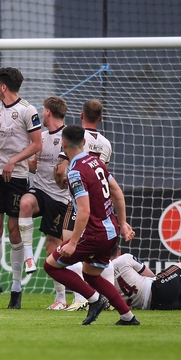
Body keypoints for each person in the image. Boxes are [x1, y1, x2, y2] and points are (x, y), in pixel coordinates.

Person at [42, 125, 138, 326]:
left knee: (50, 265)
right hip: (110, 231)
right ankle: (127, 317)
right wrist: (123, 223)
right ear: (84, 143)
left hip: (95, 233)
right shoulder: (95, 161)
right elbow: (118, 193)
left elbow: (84, 211)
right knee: (90, 275)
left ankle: (94, 300)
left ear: (64, 144)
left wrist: (73, 242)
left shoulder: (75, 171)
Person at [0, 67, 42, 309]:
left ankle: (16, 288)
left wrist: (13, 161)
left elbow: (37, 144)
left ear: (3, 86)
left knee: (14, 230)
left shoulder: (28, 110)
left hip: (17, 176)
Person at [54, 99, 117, 312]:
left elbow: (62, 170)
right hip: (101, 205)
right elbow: (102, 175)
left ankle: (81, 299)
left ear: (81, 115)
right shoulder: (106, 144)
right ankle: (107, 299)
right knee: (101, 257)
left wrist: (61, 177)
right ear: (100, 118)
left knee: (69, 245)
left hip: (80, 201)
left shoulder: (75, 137)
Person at [17, 96, 75, 310]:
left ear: (48, 112)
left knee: (53, 252)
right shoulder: (40, 137)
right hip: (40, 191)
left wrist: (64, 178)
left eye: (43, 109)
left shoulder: (68, 136)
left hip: (60, 199)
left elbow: (65, 168)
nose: (42, 112)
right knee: (25, 203)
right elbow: (33, 166)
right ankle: (28, 257)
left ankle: (61, 298)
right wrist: (20, 158)